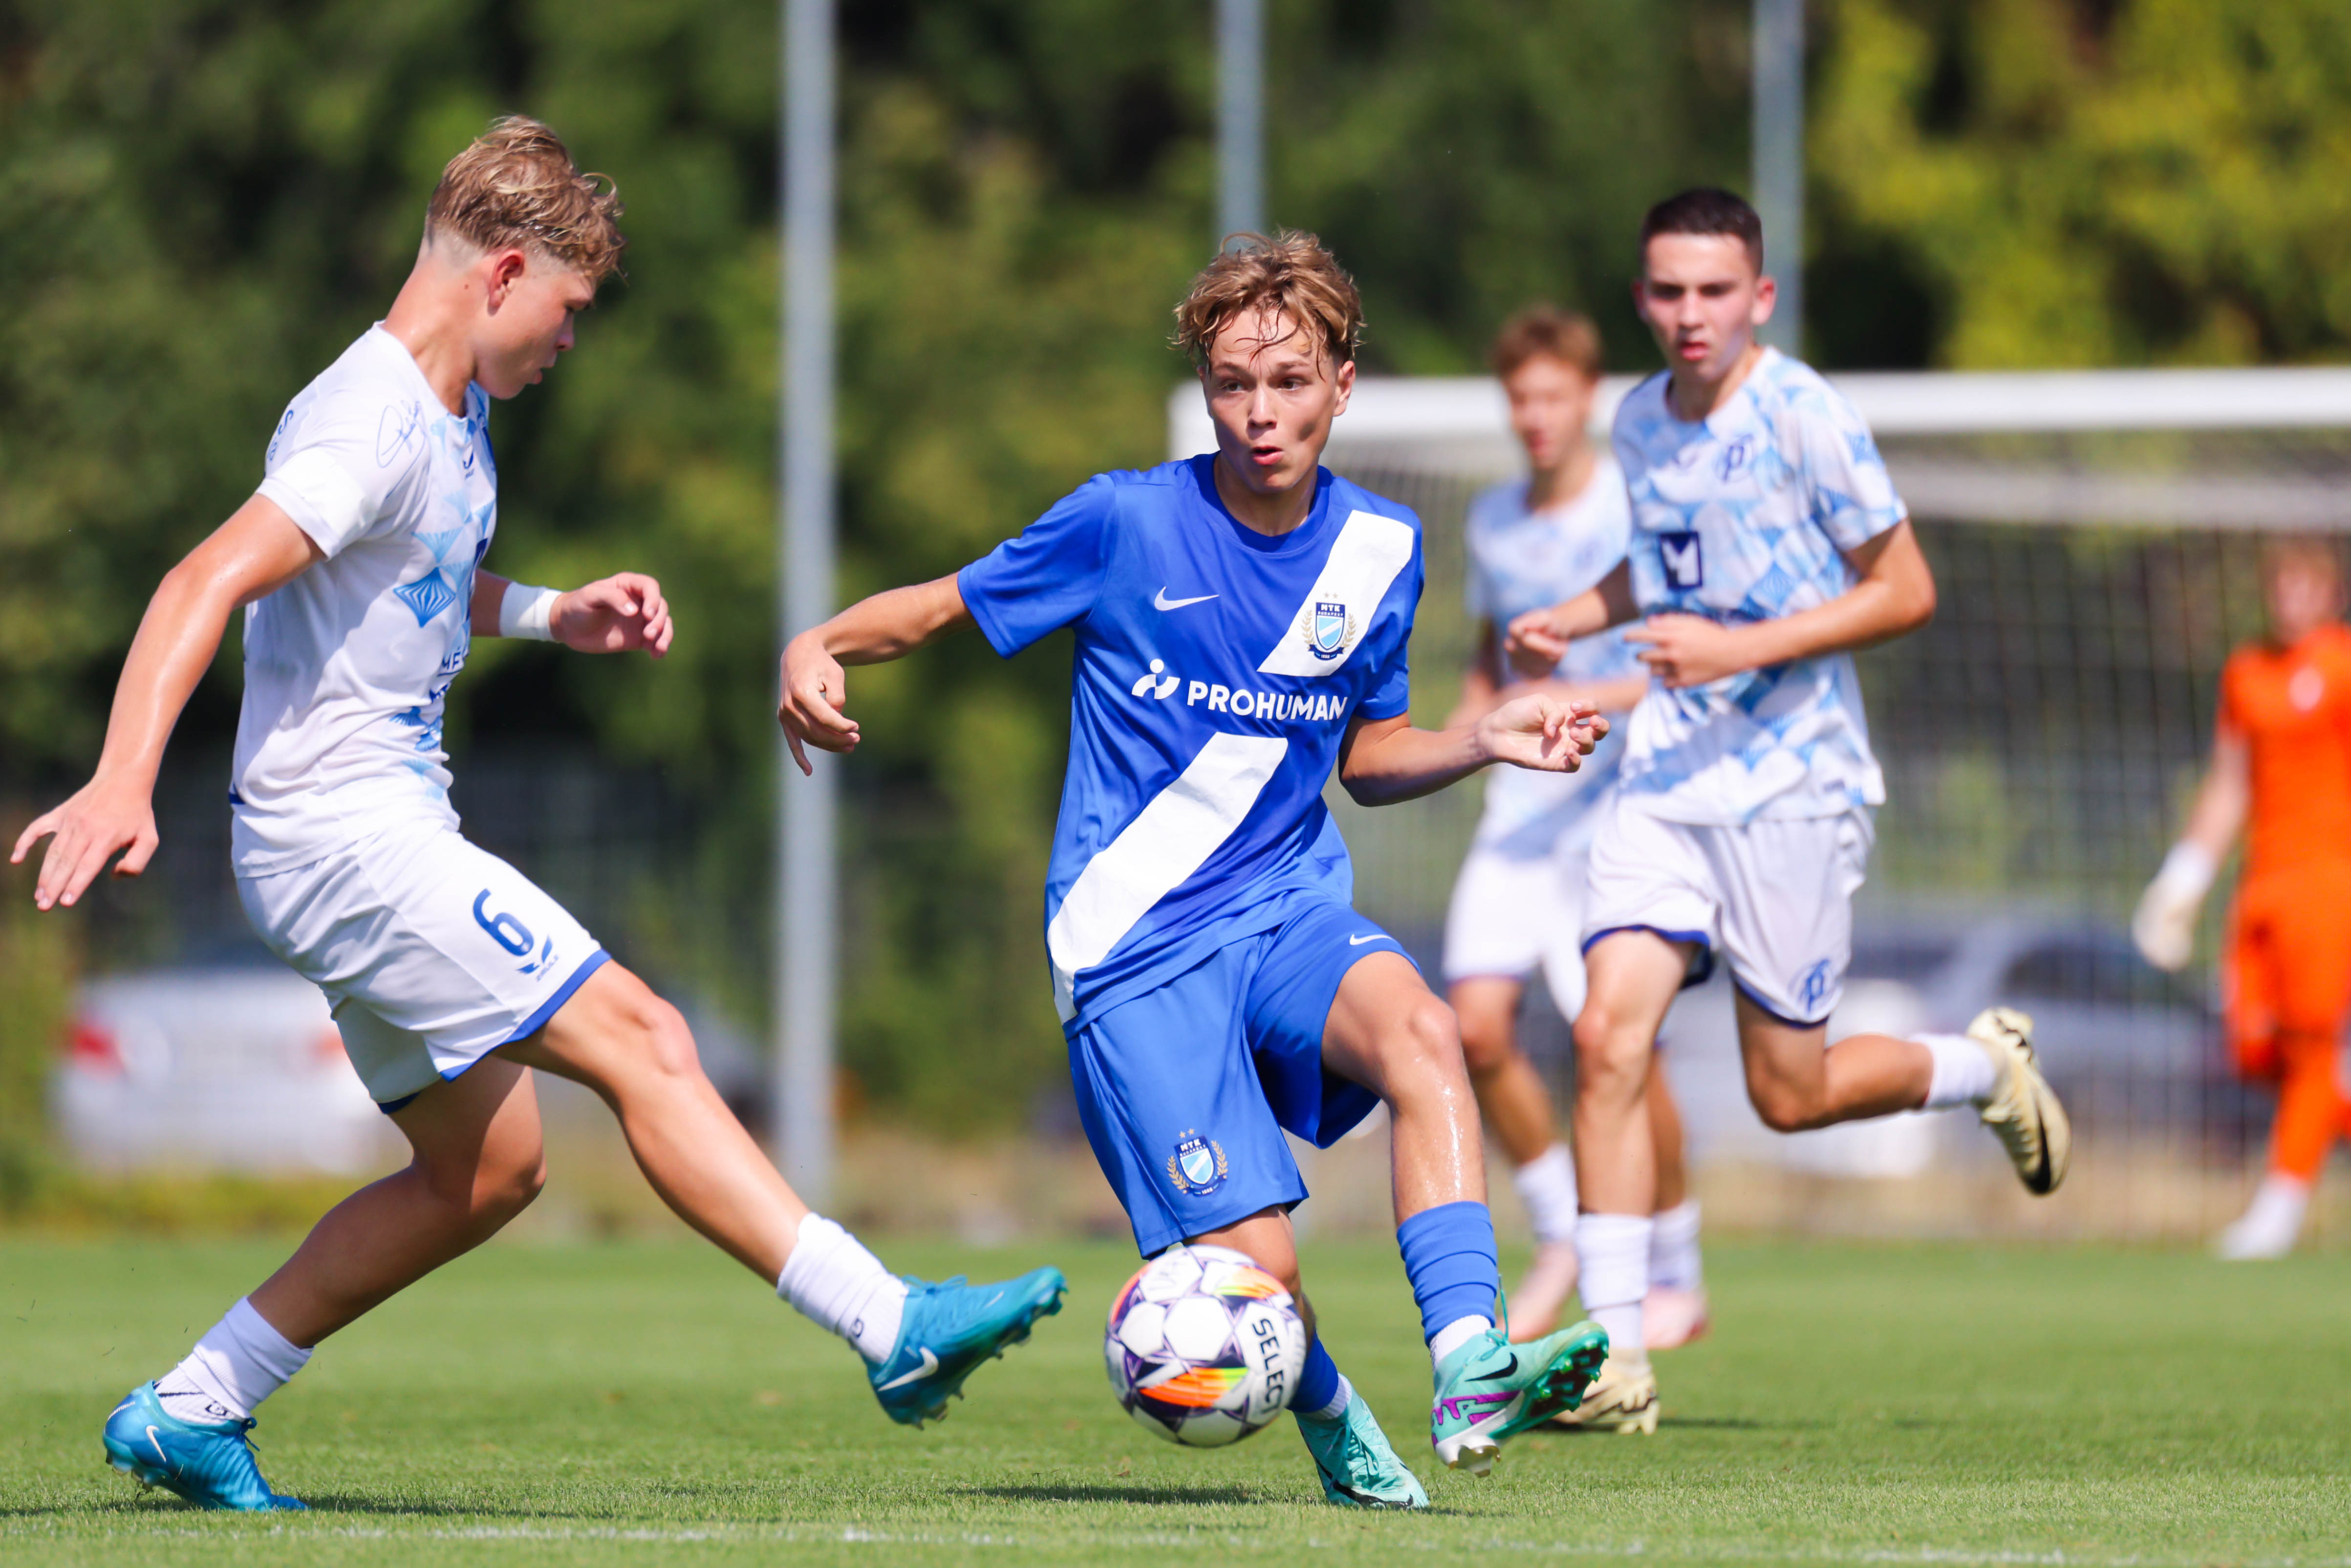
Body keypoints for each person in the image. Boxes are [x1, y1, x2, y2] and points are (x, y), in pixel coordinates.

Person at [10, 118, 1063, 1513]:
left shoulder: (451, 418)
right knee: (645, 1034)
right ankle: (887, 1322)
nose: (571, 341)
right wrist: (124, 773)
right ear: (503, 273)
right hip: (341, 837)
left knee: (488, 1171)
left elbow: (423, 574)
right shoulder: (365, 418)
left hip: (356, 837)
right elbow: (202, 579)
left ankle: (196, 1406)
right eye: (566, 312)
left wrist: (558, 612)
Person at [781, 232, 1611, 1509]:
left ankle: (1469, 1359)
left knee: (1424, 1032)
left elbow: (1367, 754)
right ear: (1206, 385)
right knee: (1257, 1270)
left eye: (1288, 381)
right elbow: (945, 605)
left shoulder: (1379, 550)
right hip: (1131, 949)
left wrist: (1480, 738)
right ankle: (1337, 1420)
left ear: (1343, 384)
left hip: (1283, 904)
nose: (1259, 413)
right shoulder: (1123, 521)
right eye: (1233, 383)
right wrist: (818, 641)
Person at [1506, 188, 2070, 1435]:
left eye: (1715, 291)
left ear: (1758, 297)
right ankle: (1615, 1356)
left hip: (1794, 788)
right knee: (1607, 1036)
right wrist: (1582, 617)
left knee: (1790, 1095)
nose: (1689, 314)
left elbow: (1904, 587)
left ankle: (1983, 1067)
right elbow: (1666, 562)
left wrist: (1742, 648)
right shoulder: (1639, 420)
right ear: (1641, 297)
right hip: (1667, 778)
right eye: (1667, 291)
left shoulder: (1805, 415)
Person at [1438, 306, 1705, 1347]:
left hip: (1613, 815)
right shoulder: (1494, 519)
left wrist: (1573, 700)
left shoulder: (1627, 517)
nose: (1536, 418)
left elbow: (1668, 668)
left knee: (1626, 1048)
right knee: (1474, 1026)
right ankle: (1560, 1226)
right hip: (1519, 809)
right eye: (1520, 401)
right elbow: (1487, 661)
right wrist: (1462, 732)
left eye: (1553, 398)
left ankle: (1678, 1268)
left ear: (1587, 400)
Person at [2133, 538, 2351, 1259]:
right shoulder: (2248, 672)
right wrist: (2184, 878)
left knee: (2314, 1046)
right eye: (2280, 583)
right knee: (2254, 1046)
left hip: (2331, 884)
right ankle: (2314, 1129)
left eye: (2304, 583)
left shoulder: (2344, 666)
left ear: (2330, 592)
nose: (2291, 596)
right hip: (2263, 885)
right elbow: (2231, 783)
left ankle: (2278, 1210)